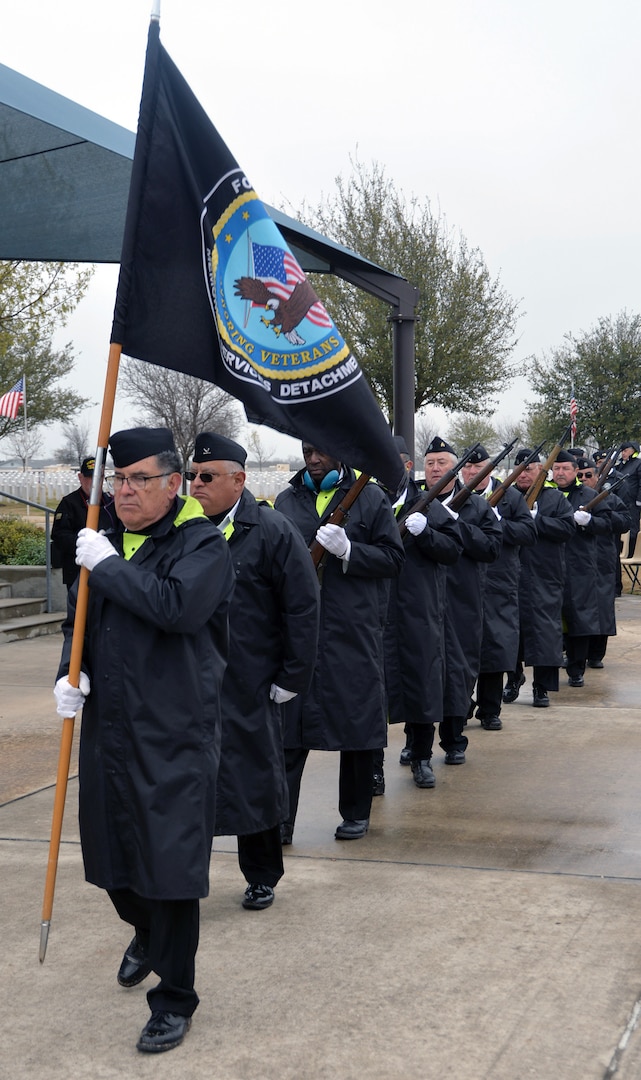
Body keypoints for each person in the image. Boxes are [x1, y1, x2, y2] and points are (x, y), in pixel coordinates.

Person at [53, 427, 234, 1054]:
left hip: (173, 732)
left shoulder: (201, 544)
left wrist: (105, 566)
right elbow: (81, 624)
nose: (124, 491)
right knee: (112, 864)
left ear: (173, 484)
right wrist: (69, 677)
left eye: (138, 480)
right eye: (117, 480)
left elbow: (177, 607)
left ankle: (175, 998)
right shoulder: (104, 545)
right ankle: (146, 933)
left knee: (171, 872)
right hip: (111, 729)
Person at [188, 431, 320, 909]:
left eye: (207, 477)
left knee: (255, 778)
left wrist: (292, 676)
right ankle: (183, 877)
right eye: (191, 476)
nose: (196, 485)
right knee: (189, 783)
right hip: (193, 680)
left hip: (251, 681)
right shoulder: (184, 529)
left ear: (239, 479)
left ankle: (262, 873)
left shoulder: (271, 529)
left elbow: (302, 607)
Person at [275, 442, 404, 842]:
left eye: (322, 452)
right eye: (308, 451)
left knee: (358, 725)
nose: (313, 460)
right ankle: (280, 818)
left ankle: (355, 810)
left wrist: (351, 551)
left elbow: (393, 558)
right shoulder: (286, 500)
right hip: (298, 628)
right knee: (288, 733)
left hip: (352, 628)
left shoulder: (369, 497)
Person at [383, 436, 462, 789]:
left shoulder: (428, 506)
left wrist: (427, 532)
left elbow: (453, 549)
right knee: (377, 688)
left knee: (421, 682)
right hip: (379, 608)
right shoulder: (369, 501)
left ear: (406, 465)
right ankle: (371, 768)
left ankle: (421, 755)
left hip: (419, 607)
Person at [423, 437, 502, 764]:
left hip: (462, 601)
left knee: (458, 673)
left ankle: (454, 740)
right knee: (422, 672)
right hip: (422, 601)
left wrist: (455, 524)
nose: (436, 468)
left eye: (442, 462)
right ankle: (418, 748)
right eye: (430, 463)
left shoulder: (477, 507)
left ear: (454, 468)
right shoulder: (415, 502)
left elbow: (491, 548)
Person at [460, 446, 537, 730]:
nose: (472, 472)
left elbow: (529, 533)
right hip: (464, 579)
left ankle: (490, 710)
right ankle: (461, 704)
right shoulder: (459, 498)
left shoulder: (511, 497)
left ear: (489, 470)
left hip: (499, 580)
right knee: (464, 646)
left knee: (495, 646)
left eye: (478, 467)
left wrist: (499, 523)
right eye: (467, 467)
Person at [503, 449, 575, 707]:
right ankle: (513, 678)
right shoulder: (507, 497)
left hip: (544, 575)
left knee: (545, 632)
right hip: (512, 575)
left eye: (530, 468)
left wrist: (538, 520)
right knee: (511, 631)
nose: (524, 474)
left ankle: (542, 686)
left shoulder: (554, 499)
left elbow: (568, 528)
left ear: (541, 472)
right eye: (520, 469)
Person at [551, 449, 612, 687]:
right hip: (551, 566)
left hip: (579, 566)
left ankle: (577, 669)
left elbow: (609, 524)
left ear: (575, 471)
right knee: (553, 619)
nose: (561, 472)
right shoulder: (547, 495)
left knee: (579, 619)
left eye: (566, 468)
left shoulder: (589, 495)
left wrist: (590, 522)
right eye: (557, 468)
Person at [576, 456, 630, 668]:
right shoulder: (570, 497)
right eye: (579, 476)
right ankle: (575, 652)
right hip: (577, 560)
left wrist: (598, 514)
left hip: (602, 558)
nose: (584, 479)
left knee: (602, 606)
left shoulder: (610, 499)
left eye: (588, 475)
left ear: (597, 476)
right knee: (577, 605)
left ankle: (597, 654)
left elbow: (625, 522)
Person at [50, 455, 115, 589]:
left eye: (98, 477)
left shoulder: (110, 502)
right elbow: (59, 535)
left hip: (105, 569)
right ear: (80, 478)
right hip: (77, 571)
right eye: (89, 477)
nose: (94, 482)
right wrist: (85, 544)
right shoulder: (69, 503)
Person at [616, 441, 641, 557]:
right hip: (621, 500)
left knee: (632, 528)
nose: (623, 453)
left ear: (633, 450)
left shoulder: (638, 464)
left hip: (633, 502)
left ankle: (631, 552)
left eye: (626, 451)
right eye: (622, 451)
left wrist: (639, 500)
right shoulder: (621, 465)